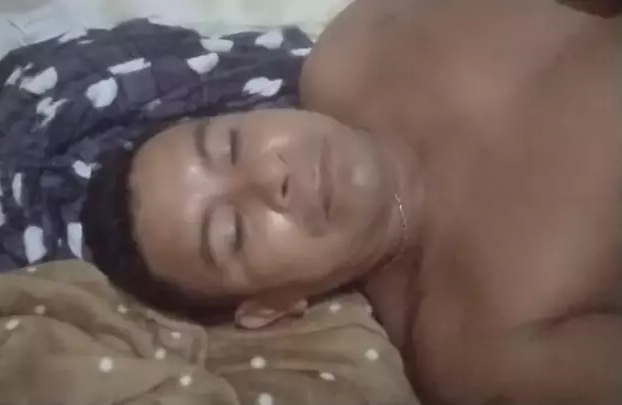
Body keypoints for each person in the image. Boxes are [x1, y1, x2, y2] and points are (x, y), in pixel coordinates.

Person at [84, 1, 622, 404]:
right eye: (235, 233)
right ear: (272, 306)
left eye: (230, 145)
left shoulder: (363, 42)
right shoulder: (480, 350)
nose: (272, 177)